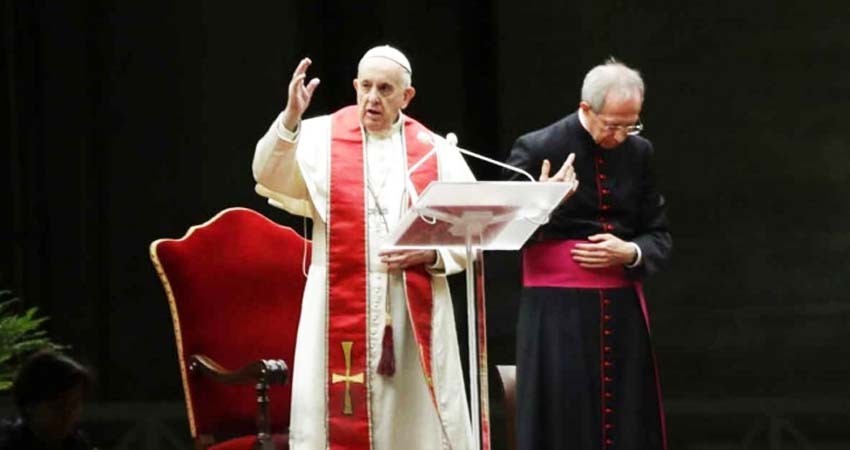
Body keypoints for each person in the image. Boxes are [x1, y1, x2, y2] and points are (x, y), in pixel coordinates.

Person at [252, 45, 474, 450]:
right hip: (335, 299)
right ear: (355, 86)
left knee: (410, 423)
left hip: (409, 307)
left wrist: (432, 254)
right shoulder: (319, 138)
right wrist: (290, 118)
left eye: (385, 89)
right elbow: (267, 173)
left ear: (406, 96)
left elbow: (471, 230)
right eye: (365, 86)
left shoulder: (434, 150)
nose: (372, 98)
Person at [504, 58, 672, 450]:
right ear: (586, 109)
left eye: (631, 125)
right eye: (612, 125)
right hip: (555, 312)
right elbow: (503, 233)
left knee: (628, 417)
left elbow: (658, 233)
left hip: (622, 308)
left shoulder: (640, 152)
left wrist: (630, 251)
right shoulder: (538, 147)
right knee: (563, 417)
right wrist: (544, 203)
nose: (621, 136)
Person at [0, 350, 95, 450]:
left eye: (75, 404)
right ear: (30, 406)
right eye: (59, 406)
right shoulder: (9, 444)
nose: (69, 414)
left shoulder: (76, 443)